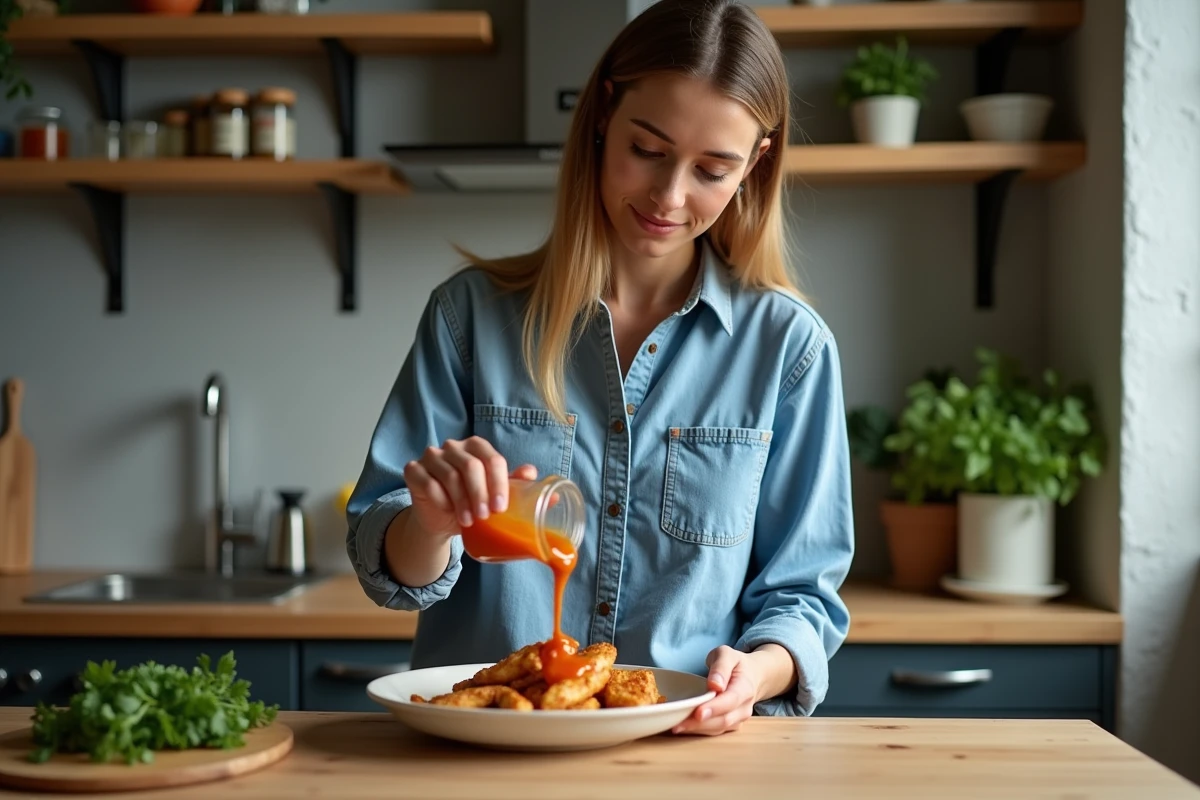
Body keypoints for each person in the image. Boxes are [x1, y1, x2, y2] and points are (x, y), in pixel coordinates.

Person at [346, 0, 853, 735]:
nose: (669, 197)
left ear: (756, 164)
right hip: (485, 762)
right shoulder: (469, 318)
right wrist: (429, 525)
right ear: (603, 114)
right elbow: (386, 559)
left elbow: (803, 595)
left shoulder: (789, 349)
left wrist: (758, 669)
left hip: (684, 758)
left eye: (713, 170)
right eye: (647, 150)